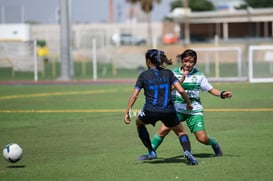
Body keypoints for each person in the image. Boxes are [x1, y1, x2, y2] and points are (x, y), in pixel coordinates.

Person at [149, 49, 233, 157]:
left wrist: (222, 93)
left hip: (194, 110)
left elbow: (211, 90)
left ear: (194, 63)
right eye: (185, 61)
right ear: (182, 61)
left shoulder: (199, 76)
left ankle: (214, 143)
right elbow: (167, 89)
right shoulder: (173, 73)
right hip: (177, 109)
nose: (188, 64)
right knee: (164, 128)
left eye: (191, 62)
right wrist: (181, 80)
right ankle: (150, 152)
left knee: (202, 138)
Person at [124, 49, 198, 165]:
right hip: (168, 111)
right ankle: (187, 152)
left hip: (150, 111)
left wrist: (127, 112)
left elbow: (134, 95)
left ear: (148, 61)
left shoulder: (143, 75)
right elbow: (181, 90)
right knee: (181, 132)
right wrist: (188, 103)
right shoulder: (168, 73)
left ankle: (151, 151)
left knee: (139, 123)